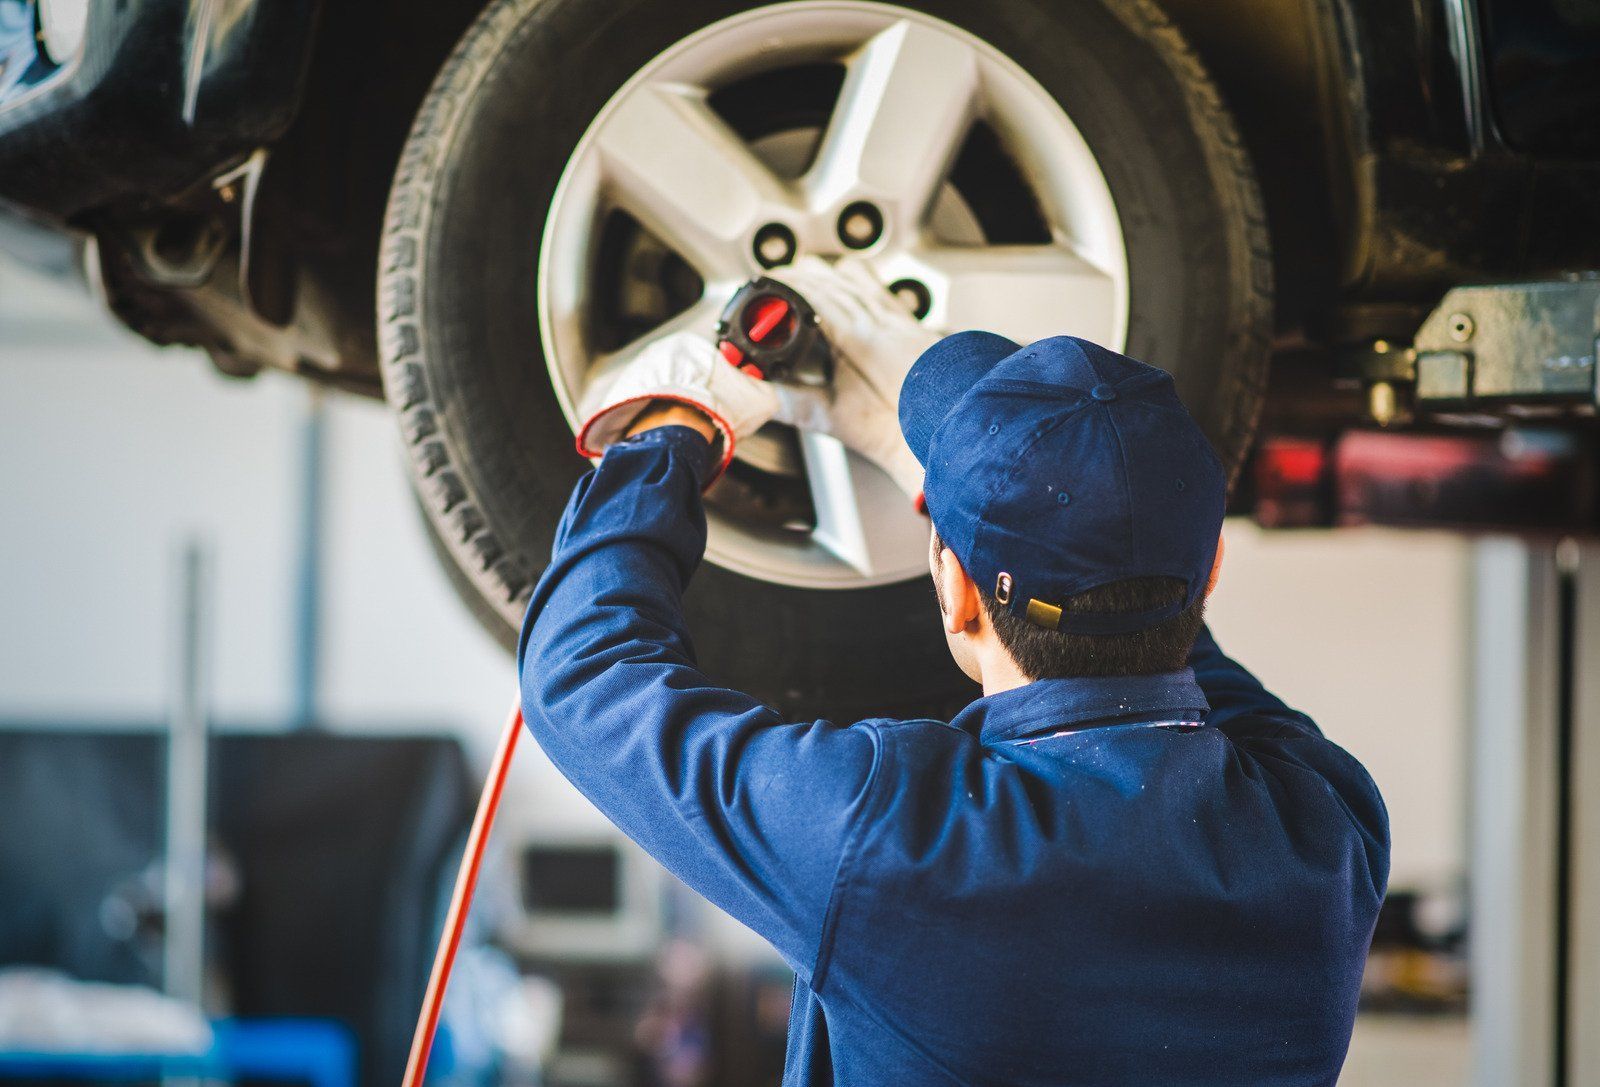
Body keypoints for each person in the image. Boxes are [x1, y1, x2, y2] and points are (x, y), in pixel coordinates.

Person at [518, 259, 1389, 1085]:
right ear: (1213, 570)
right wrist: (954, 505)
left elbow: (585, 678)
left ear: (954, 587)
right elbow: (1165, 644)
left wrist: (676, 427)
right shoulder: (1329, 829)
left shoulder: (893, 841)